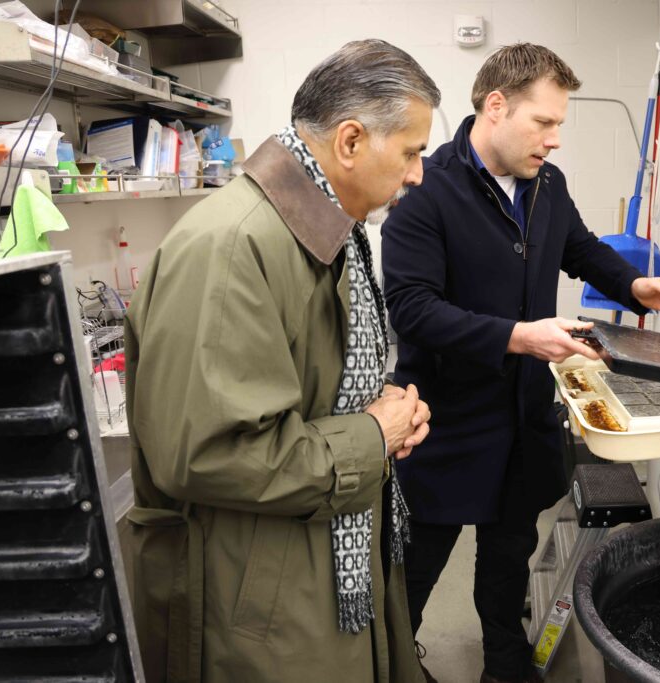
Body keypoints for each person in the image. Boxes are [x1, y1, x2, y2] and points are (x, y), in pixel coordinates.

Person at [124, 40, 439, 683]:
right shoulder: (233, 247)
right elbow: (212, 453)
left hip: (314, 565)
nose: (418, 175)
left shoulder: (331, 231)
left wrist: (386, 422)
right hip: (257, 605)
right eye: (411, 152)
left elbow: (317, 393)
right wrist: (371, 436)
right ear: (350, 142)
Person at [381, 43, 660, 683]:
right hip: (442, 419)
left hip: (523, 413)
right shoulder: (425, 190)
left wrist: (635, 286)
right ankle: (390, 666)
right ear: (496, 107)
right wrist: (520, 337)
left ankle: (505, 663)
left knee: (508, 558)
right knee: (416, 567)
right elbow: (412, 310)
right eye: (544, 123)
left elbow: (578, 248)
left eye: (559, 126)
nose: (554, 140)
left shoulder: (546, 184)